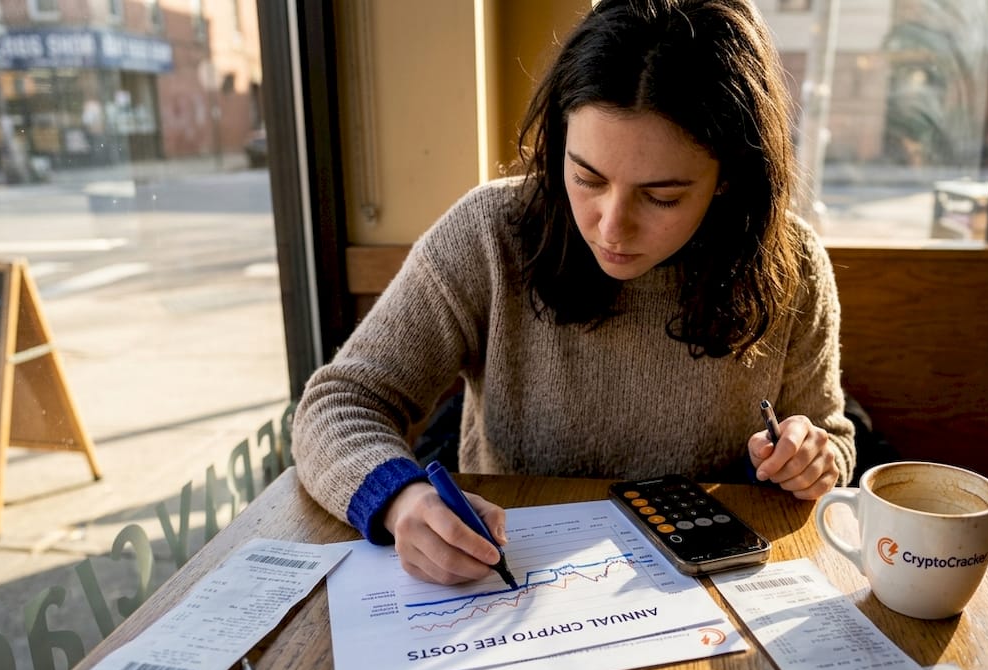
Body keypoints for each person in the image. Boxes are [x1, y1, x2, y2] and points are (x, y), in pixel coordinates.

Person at [293, 0, 856, 586]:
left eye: (661, 196)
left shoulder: (792, 267)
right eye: (587, 177)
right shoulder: (490, 234)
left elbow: (830, 437)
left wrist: (811, 458)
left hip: (708, 587)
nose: (611, 227)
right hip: (506, 584)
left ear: (729, 178)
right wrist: (399, 499)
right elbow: (339, 403)